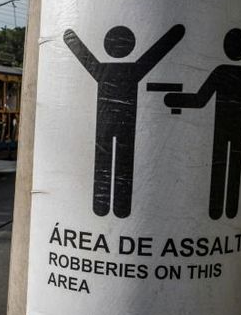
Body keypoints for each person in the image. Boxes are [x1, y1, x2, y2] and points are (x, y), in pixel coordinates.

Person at [64, 24, 185, 218]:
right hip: (126, 126)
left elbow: (84, 56)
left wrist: (69, 38)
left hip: (104, 125)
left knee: (103, 163)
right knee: (124, 164)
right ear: (130, 45)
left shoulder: (102, 70)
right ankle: (121, 208)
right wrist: (176, 33)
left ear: (107, 46)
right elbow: (155, 53)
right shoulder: (134, 70)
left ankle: (100, 206)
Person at [163, 28, 241, 220]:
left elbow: (200, 99)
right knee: (233, 166)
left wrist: (174, 100)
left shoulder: (221, 72)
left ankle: (216, 210)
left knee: (220, 165)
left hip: (222, 129)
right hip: (235, 129)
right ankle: (230, 209)